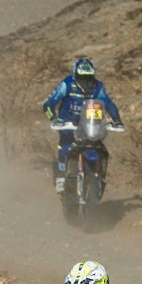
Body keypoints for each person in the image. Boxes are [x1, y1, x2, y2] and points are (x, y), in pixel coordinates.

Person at [41, 58, 123, 194]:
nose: (86, 81)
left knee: (100, 147)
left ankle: (100, 176)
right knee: (66, 145)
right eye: (82, 77)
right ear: (75, 75)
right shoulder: (66, 84)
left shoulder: (98, 86)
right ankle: (61, 176)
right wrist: (54, 119)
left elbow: (108, 103)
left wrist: (117, 120)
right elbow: (48, 104)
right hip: (67, 124)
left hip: (90, 124)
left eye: (89, 77)